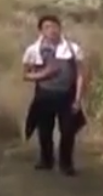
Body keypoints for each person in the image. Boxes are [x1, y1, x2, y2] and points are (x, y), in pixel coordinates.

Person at [22, 15, 88, 177]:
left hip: (67, 96)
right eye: (47, 27)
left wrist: (78, 99)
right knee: (44, 130)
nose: (51, 30)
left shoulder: (72, 49)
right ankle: (46, 160)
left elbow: (81, 74)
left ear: (60, 28)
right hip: (44, 95)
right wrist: (44, 74)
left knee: (68, 130)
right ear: (41, 31)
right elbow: (25, 75)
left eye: (54, 26)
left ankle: (66, 164)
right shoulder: (33, 51)